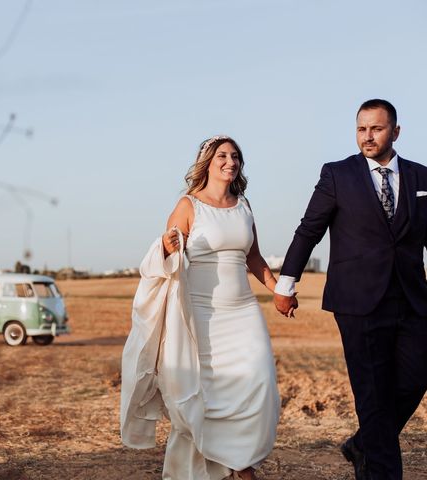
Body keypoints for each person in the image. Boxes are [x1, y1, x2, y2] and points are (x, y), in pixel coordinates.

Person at [274, 99, 427, 480]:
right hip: (358, 301)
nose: (367, 136)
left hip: (412, 297)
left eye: (376, 129)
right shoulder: (337, 175)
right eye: (361, 129)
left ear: (395, 131)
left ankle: (364, 443)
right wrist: (286, 283)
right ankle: (380, 470)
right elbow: (309, 229)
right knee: (372, 393)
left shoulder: (422, 178)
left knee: (418, 374)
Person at [121, 135, 280, 480]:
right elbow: (166, 253)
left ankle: (241, 458)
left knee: (261, 382)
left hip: (243, 312)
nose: (230, 161)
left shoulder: (244, 205)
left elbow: (253, 257)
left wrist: (278, 289)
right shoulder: (188, 205)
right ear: (207, 162)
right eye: (222, 155)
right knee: (206, 394)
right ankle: (239, 468)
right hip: (202, 315)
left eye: (235, 156)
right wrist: (166, 244)